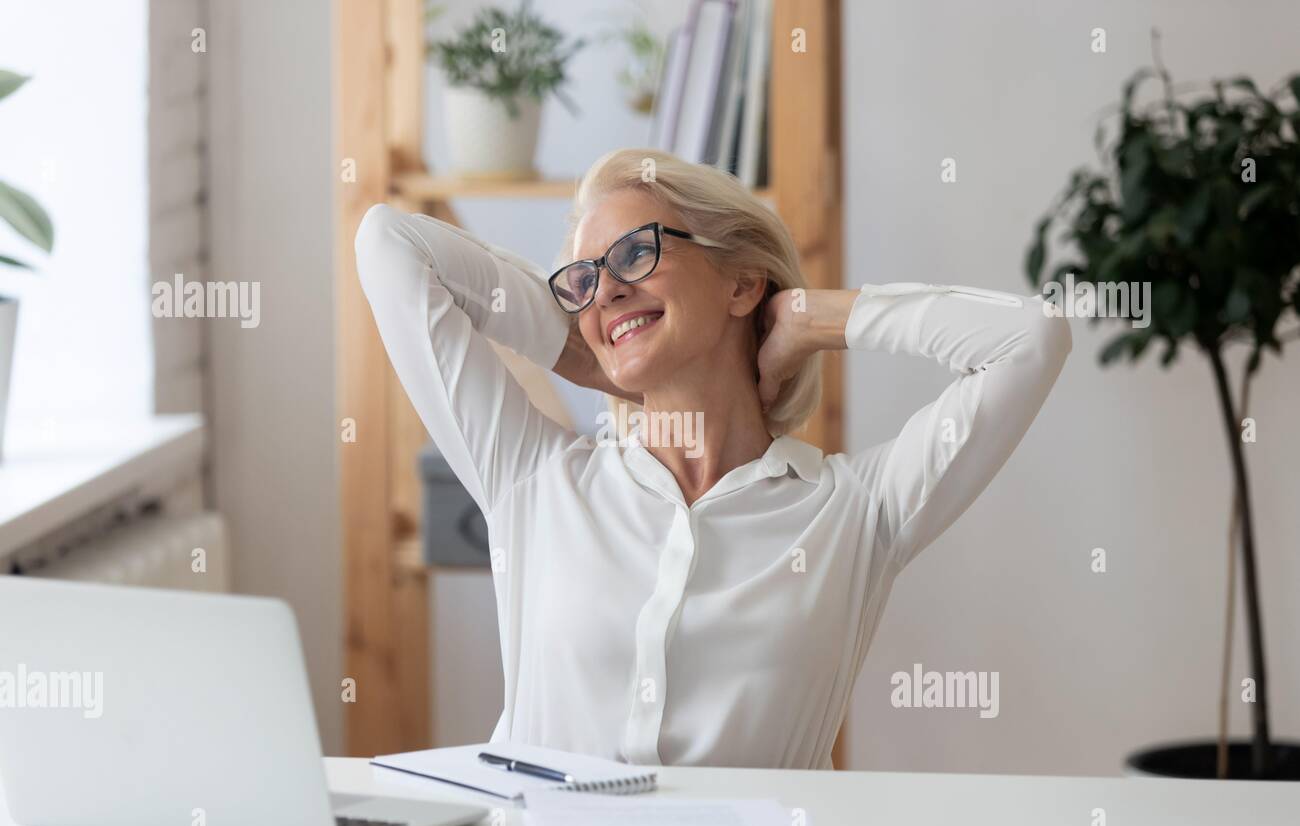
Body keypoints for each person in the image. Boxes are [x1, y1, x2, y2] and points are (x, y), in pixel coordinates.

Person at [353, 147, 1071, 770]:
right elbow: (388, 244)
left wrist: (807, 319)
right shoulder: (534, 479)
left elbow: (1031, 337)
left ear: (741, 281)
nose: (606, 288)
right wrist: (583, 343)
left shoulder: (854, 512)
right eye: (583, 280)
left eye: (635, 253)